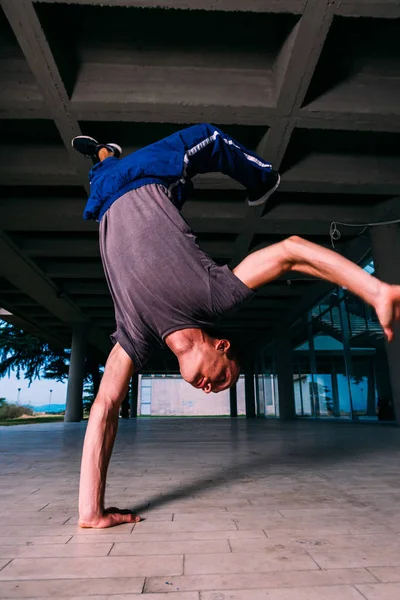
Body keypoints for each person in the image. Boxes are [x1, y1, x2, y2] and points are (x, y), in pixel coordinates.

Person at [72, 123, 400, 528]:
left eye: (214, 388)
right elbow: (290, 253)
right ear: (221, 346)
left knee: (102, 171)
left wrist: (91, 510)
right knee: (207, 136)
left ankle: (103, 153)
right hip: (152, 173)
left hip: (105, 197)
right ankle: (262, 179)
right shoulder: (215, 298)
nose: (209, 388)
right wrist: (375, 291)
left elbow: (104, 408)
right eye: (223, 379)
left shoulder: (136, 340)